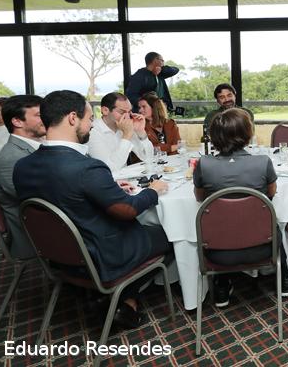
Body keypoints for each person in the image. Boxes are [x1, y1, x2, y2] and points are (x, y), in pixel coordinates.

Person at [13, 90, 171, 329]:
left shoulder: (22, 166)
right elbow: (128, 210)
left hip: (57, 254)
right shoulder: (87, 168)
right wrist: (154, 190)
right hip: (101, 255)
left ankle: (111, 296)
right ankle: (124, 297)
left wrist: (107, 187)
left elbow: (66, 194)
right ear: (72, 118)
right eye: (89, 119)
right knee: (170, 235)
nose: (91, 125)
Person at [193, 108, 288, 305]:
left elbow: (200, 197)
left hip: (217, 253)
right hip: (263, 248)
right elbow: (270, 194)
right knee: (275, 224)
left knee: (220, 224)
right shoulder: (263, 162)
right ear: (248, 134)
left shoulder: (203, 164)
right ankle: (285, 280)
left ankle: (221, 284)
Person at [0, 95, 46, 259]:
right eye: (38, 115)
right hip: (38, 235)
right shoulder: (12, 158)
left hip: (50, 222)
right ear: (17, 122)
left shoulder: (35, 147)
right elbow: (41, 201)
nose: (46, 118)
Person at [88, 92, 154, 173]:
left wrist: (140, 132)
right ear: (105, 110)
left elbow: (148, 157)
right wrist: (126, 136)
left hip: (126, 180)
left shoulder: (124, 126)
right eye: (122, 112)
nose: (127, 117)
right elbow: (109, 169)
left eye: (129, 112)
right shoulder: (92, 131)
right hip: (106, 182)